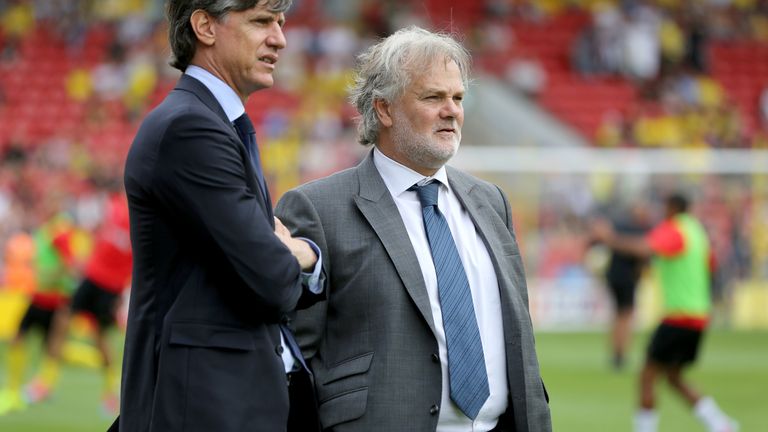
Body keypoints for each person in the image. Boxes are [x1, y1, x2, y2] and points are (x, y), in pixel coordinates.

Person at [275, 26, 551, 432]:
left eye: (457, 98)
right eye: (433, 97)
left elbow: (518, 337)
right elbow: (295, 358)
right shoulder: (318, 208)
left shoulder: (491, 201)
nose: (452, 110)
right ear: (384, 109)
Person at [116, 1, 324, 431]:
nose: (280, 39)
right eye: (262, 22)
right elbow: (270, 278)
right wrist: (304, 253)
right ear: (205, 26)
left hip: (226, 400)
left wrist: (288, 257)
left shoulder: (211, 122)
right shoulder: (190, 128)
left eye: (281, 23)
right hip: (203, 407)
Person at [592, 193, 738, 432]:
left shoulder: (675, 229)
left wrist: (610, 239)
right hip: (698, 316)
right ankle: (720, 424)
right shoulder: (697, 231)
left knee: (646, 376)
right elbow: (709, 265)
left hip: (679, 316)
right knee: (673, 377)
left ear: (672, 208)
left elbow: (643, 248)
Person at [43, 182, 132, 416]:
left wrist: (124, 292)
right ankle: (46, 382)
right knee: (62, 319)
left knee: (100, 337)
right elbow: (90, 229)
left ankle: (110, 392)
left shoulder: (143, 219)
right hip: (92, 277)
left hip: (111, 286)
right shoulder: (111, 206)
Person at [0, 211, 78, 415]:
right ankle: (14, 391)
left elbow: (70, 265)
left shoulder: (59, 233)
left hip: (54, 300)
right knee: (19, 338)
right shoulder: (44, 232)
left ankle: (41, 386)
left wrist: (48, 276)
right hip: (38, 298)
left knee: (53, 348)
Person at [603, 201, 651, 370]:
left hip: (615, 277)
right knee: (625, 314)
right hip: (626, 279)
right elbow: (644, 253)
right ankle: (620, 354)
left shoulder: (620, 228)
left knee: (619, 314)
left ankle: (617, 352)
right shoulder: (640, 231)